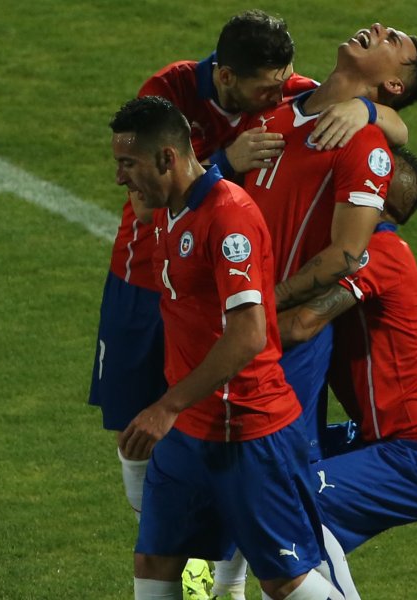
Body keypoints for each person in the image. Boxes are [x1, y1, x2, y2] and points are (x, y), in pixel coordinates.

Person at [88, 11, 412, 598]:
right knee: (153, 520)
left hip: (252, 341)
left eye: (395, 42)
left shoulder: (336, 129)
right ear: (228, 77)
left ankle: (228, 582)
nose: (278, 89)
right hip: (167, 300)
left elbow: (349, 248)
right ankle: (213, 576)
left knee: (280, 548)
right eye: (266, 85)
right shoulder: (248, 103)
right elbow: (157, 181)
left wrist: (370, 112)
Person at [111, 95, 348, 600]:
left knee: (284, 579)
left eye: (127, 164)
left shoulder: (228, 218)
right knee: (155, 559)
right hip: (189, 427)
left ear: (166, 159)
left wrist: (165, 406)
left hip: (246, 429)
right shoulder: (167, 209)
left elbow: (249, 334)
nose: (119, 178)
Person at [234, 22, 417, 462]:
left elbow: (345, 255)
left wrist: (261, 309)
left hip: (278, 343)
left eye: (393, 41)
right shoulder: (281, 103)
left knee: (273, 494)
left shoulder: (362, 144)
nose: (379, 28)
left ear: (393, 83)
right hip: (227, 323)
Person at [278, 148, 417, 575]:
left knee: (291, 503)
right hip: (388, 441)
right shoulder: (370, 250)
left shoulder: (377, 252)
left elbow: (301, 326)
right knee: (263, 470)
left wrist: (226, 328)